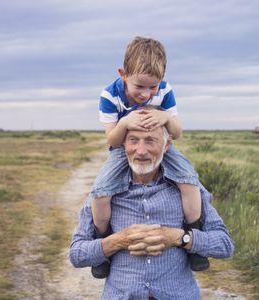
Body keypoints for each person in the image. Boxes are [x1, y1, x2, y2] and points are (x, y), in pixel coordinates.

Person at [70, 124, 234, 299]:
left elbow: (225, 245)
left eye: (150, 141)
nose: (141, 151)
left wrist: (179, 237)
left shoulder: (189, 188)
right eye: (133, 140)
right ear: (123, 144)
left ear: (166, 144)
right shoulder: (103, 192)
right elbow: (77, 254)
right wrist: (117, 241)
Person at [90, 36, 208, 278]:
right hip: (123, 148)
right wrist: (125, 123)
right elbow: (111, 139)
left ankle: (194, 238)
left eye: (152, 87)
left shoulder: (165, 90)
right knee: (101, 192)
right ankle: (102, 245)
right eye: (139, 87)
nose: (146, 94)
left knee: (189, 181)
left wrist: (166, 118)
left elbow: (176, 133)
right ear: (123, 73)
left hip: (162, 145)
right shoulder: (110, 95)